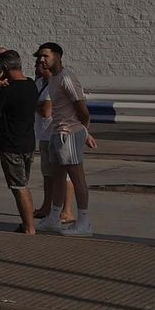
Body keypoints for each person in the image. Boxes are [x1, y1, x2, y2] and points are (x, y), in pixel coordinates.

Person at [35, 43, 95, 236]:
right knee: (57, 177)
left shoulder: (67, 78)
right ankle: (54, 218)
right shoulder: (53, 78)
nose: (41, 60)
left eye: (46, 56)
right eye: (40, 57)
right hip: (56, 133)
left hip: (69, 133)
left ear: (58, 56)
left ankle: (84, 221)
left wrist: (83, 131)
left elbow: (82, 110)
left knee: (77, 178)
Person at [0, 50, 40, 233]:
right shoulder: (31, 85)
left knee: (18, 187)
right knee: (23, 184)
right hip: (28, 142)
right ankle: (28, 222)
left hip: (11, 144)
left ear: (4, 68)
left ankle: (29, 227)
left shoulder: (8, 90)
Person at [32, 56, 76, 227]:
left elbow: (46, 111)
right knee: (48, 175)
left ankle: (67, 211)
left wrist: (35, 104)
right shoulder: (40, 84)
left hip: (58, 134)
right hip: (44, 135)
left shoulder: (56, 85)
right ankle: (46, 207)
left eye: (40, 64)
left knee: (63, 175)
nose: (36, 66)